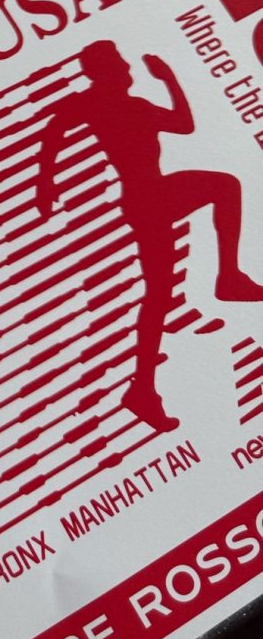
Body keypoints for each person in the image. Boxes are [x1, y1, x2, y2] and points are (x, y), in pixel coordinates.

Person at [35, 39, 263, 431]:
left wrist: (168, 77)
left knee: (160, 293)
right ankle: (226, 279)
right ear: (104, 71)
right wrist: (45, 182)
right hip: (147, 198)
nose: (128, 68)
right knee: (221, 189)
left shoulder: (134, 106)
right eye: (119, 63)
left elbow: (183, 125)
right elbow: (55, 129)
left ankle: (143, 388)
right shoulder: (96, 103)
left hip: (152, 195)